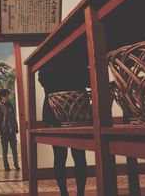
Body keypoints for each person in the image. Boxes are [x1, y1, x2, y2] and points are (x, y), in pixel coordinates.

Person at [38, 56, 89, 196]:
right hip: (77, 111)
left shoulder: (47, 60)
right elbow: (89, 81)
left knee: (59, 157)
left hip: (53, 111)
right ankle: (81, 193)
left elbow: (41, 79)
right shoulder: (78, 59)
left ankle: (64, 193)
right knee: (79, 155)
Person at [0, 88, 20, 171]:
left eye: (8, 95)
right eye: (6, 95)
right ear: (2, 97)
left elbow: (13, 117)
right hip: (4, 132)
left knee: (14, 150)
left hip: (12, 131)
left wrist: (16, 128)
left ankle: (16, 165)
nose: (8, 96)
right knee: (5, 150)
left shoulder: (10, 105)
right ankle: (6, 166)